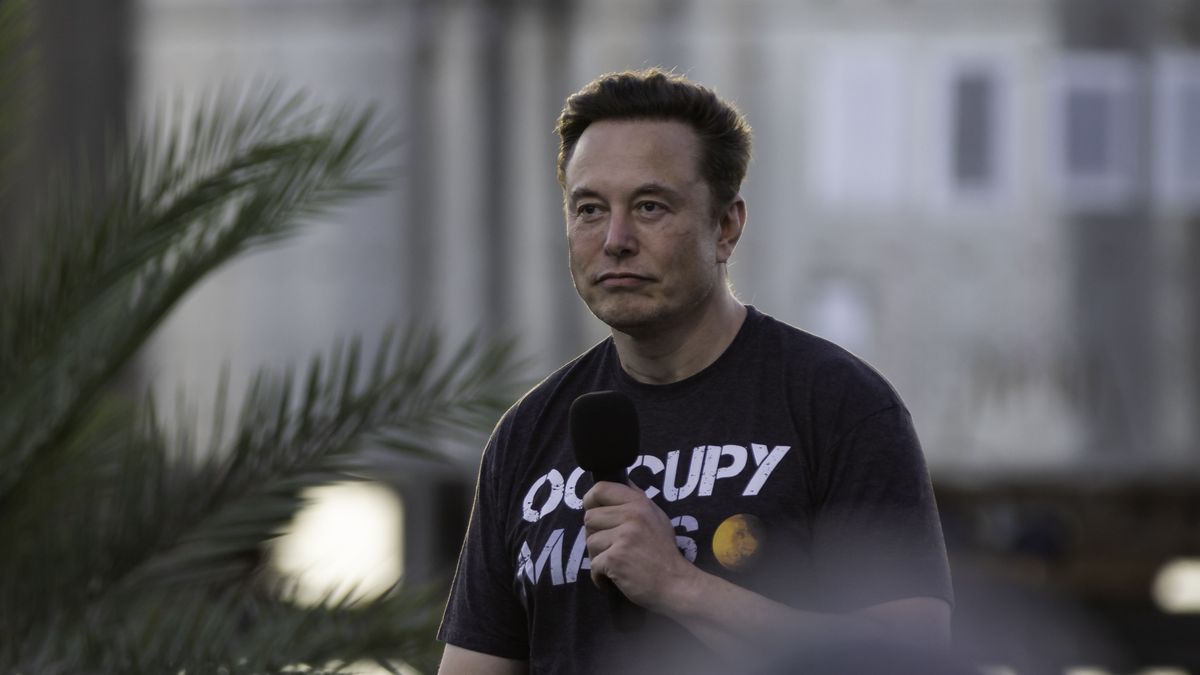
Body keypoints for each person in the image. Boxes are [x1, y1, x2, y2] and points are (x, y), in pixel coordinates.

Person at [436, 68, 954, 675]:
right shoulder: (528, 434)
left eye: (650, 207)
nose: (616, 239)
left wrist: (678, 585)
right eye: (590, 209)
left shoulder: (836, 405)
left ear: (727, 226)